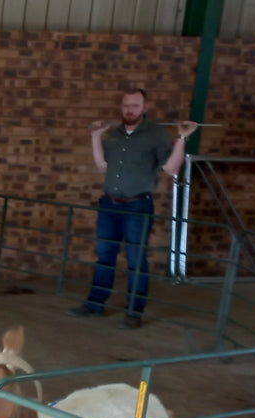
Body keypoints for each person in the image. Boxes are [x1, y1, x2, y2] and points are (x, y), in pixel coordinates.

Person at [67, 88, 198, 330]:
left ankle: (134, 312)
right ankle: (95, 304)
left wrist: (181, 138)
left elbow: (171, 168)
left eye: (135, 106)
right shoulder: (115, 134)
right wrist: (95, 136)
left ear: (145, 108)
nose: (130, 110)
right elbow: (101, 166)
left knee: (136, 260)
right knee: (105, 256)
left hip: (137, 206)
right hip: (109, 204)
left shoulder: (157, 133)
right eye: (126, 105)